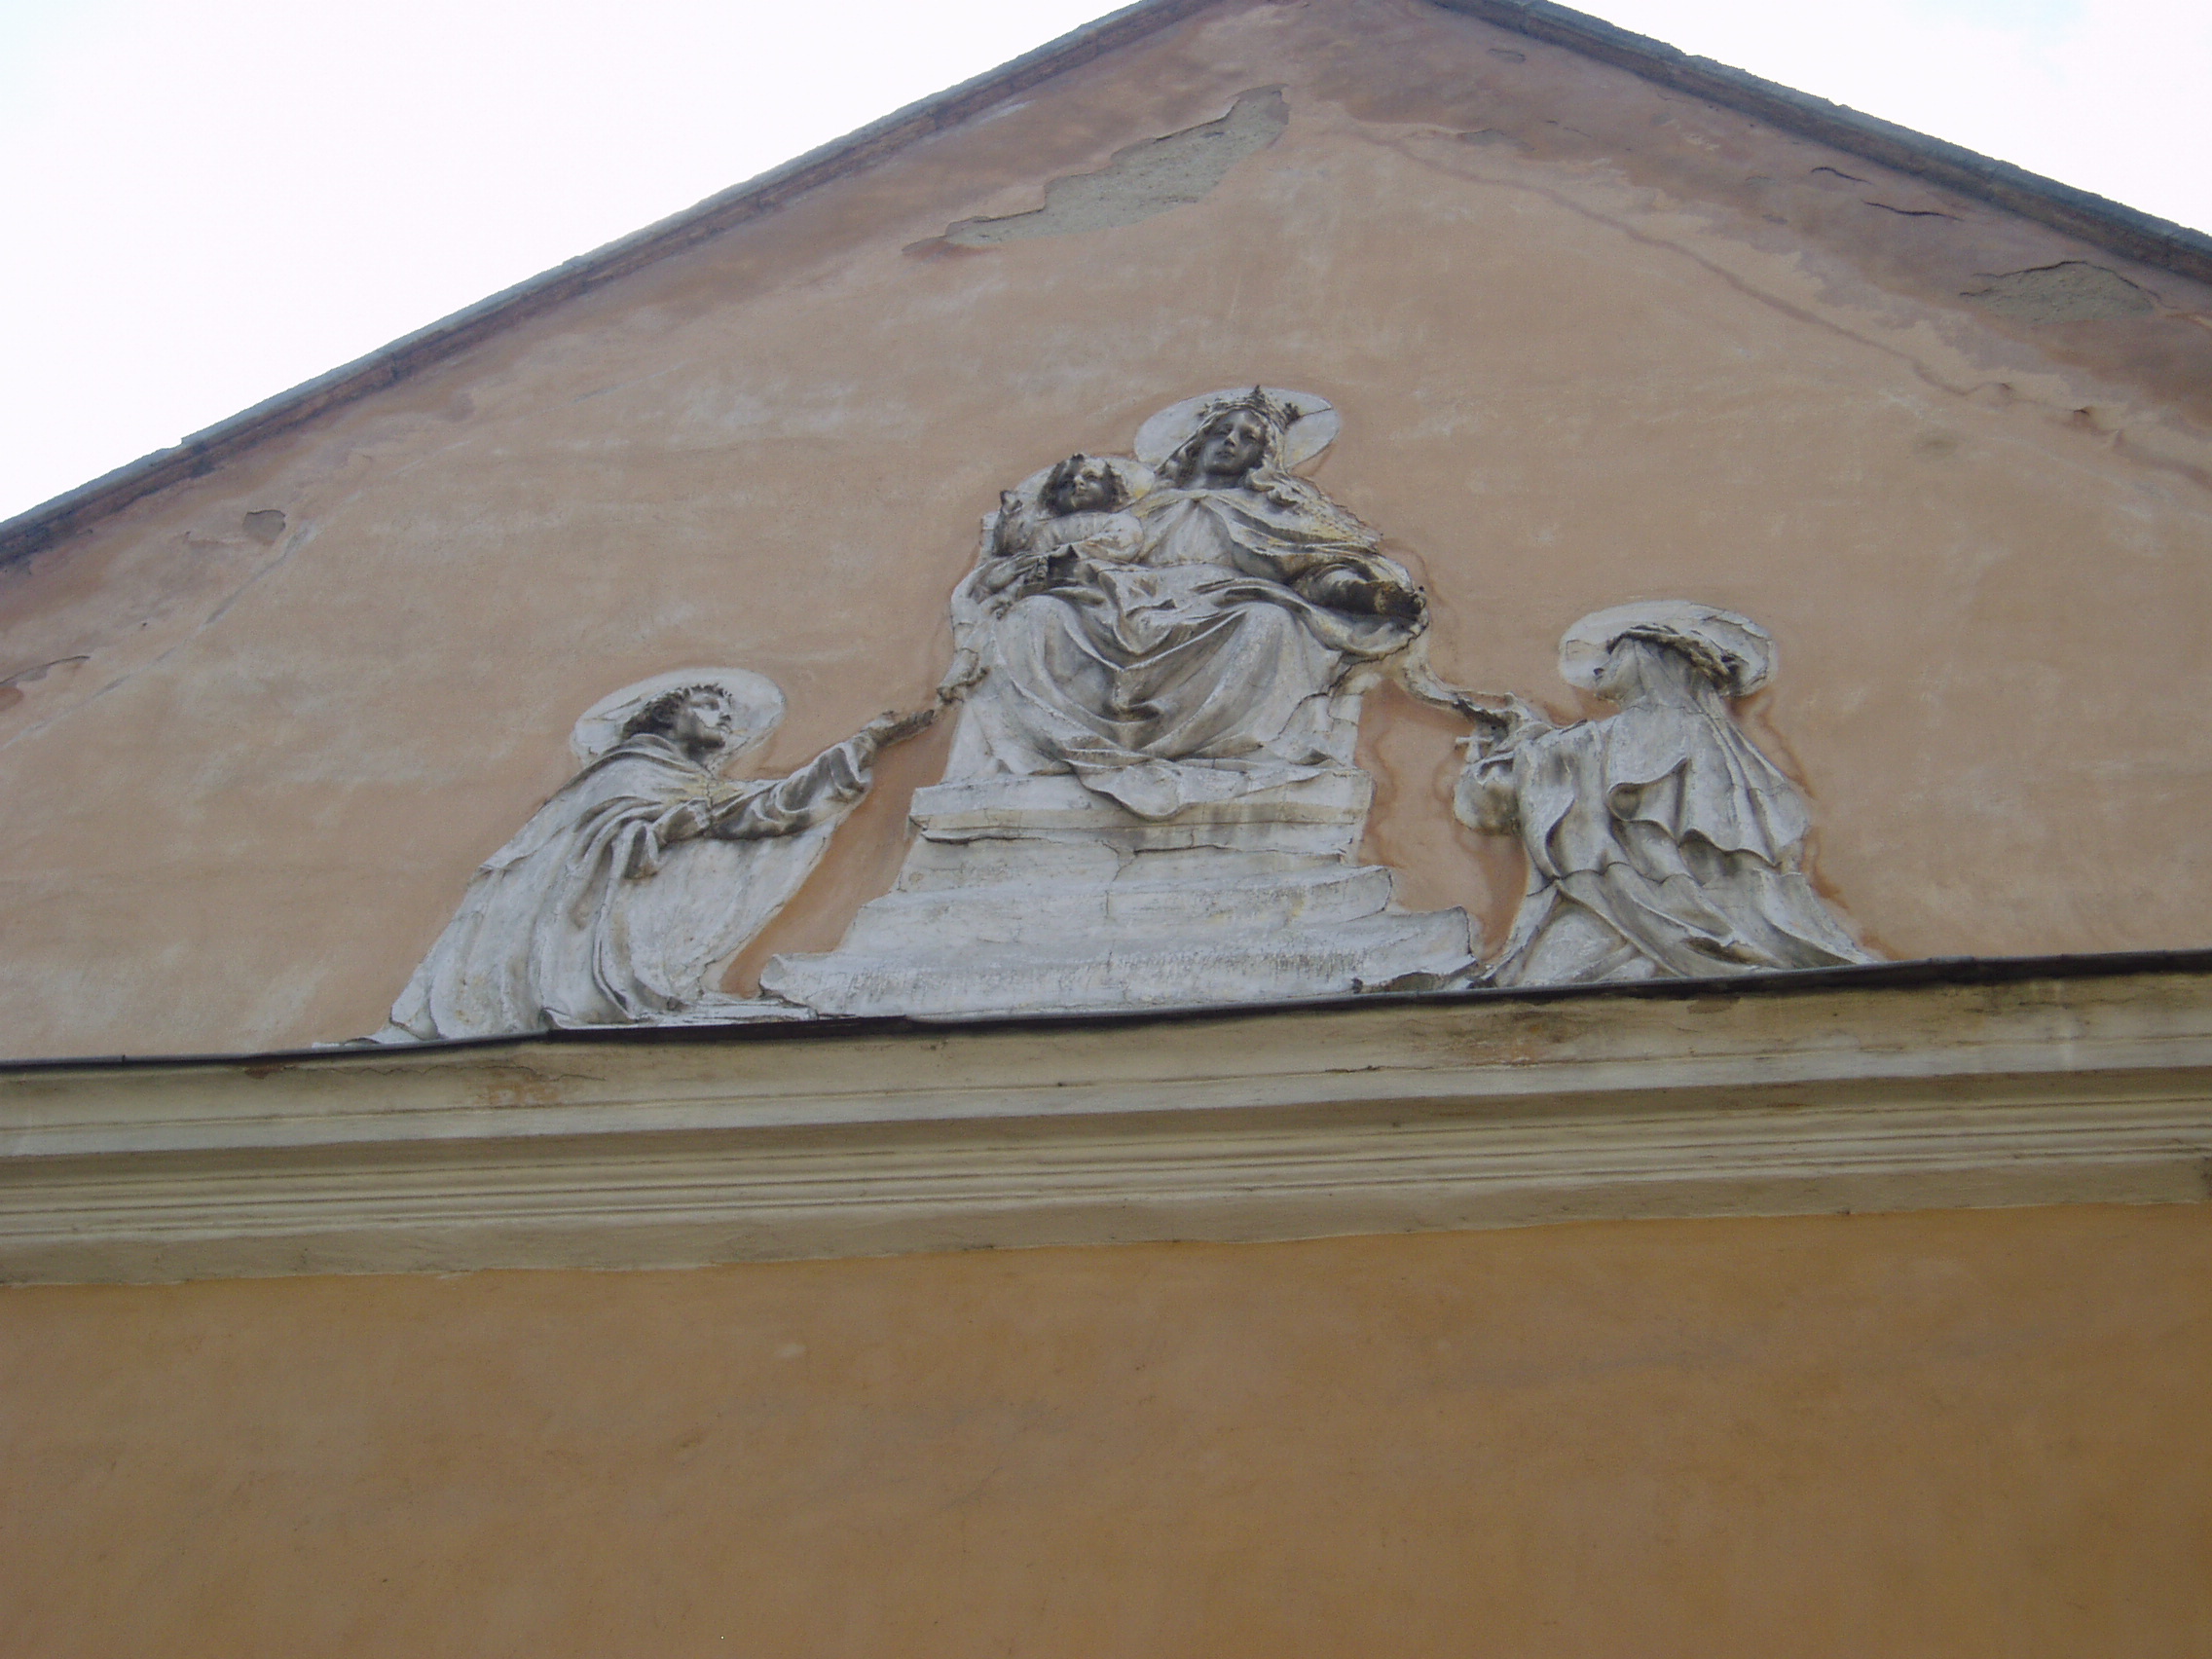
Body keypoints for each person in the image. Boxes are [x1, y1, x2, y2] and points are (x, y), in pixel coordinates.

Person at [943, 387, 1428, 821]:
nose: (1231, 442)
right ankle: (1049, 750)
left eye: (1248, 437)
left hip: (1222, 606)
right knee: (1033, 616)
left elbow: (1314, 571)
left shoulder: (1275, 511)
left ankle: (1232, 757)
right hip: (1125, 602)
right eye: (1222, 431)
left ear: (1264, 455)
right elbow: (1093, 549)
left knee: (1270, 623)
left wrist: (1364, 594)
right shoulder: (1145, 507)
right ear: (1199, 441)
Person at [377, 673, 933, 1039]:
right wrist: (662, 828)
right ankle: (613, 994)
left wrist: (865, 744)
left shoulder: (693, 785)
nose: (724, 719)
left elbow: (760, 808)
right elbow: (593, 841)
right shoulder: (628, 771)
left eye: (727, 711)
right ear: (668, 715)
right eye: (708, 706)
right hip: (583, 926)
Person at [1456, 603, 1876, 984]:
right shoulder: (1722, 745)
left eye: (1615, 654)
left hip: (1618, 914)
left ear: (1648, 660)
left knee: (1537, 997)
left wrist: (1518, 746)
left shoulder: (1627, 734)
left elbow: (1494, 798)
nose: (1600, 669)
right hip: (1653, 911)